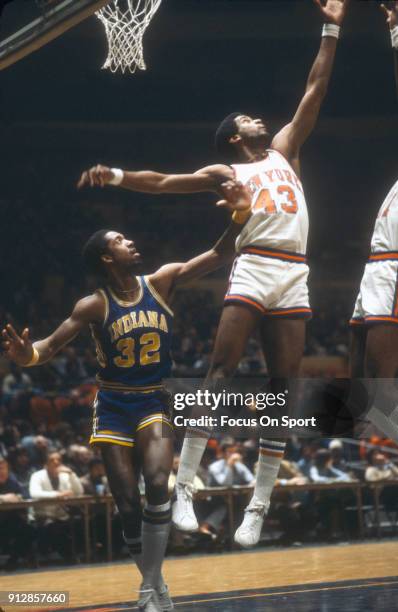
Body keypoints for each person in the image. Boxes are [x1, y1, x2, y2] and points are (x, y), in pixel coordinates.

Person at [77, 0, 349, 548]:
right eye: (249, 117)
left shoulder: (284, 150)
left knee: (283, 390)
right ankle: (182, 489)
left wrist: (331, 29)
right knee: (220, 370)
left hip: (294, 273)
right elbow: (162, 182)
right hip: (252, 266)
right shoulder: (228, 169)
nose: (260, 119)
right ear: (232, 135)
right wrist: (118, 175)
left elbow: (314, 91)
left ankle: (259, 506)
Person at [2, 182, 250, 612]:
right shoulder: (93, 305)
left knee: (157, 484)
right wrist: (27, 355)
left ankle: (150, 588)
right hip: (113, 405)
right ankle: (156, 587)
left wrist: (239, 216)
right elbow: (50, 347)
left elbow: (218, 255)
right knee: (128, 504)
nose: (129, 241)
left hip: (154, 400)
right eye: (119, 240)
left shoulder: (164, 280)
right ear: (105, 257)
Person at [349, 1, 398, 457]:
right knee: (363, 399)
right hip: (378, 267)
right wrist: (396, 32)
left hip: (397, 265)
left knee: (383, 391)